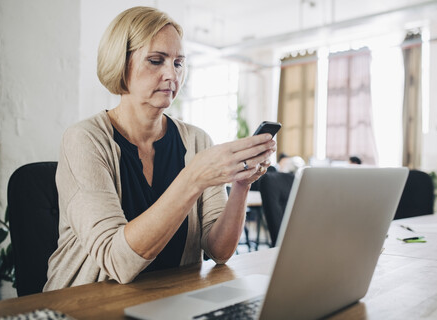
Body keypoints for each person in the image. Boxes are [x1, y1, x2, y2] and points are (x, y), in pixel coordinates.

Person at [44, 6, 275, 291]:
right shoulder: (84, 140)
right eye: (156, 60)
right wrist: (194, 178)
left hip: (169, 299)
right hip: (87, 304)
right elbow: (118, 261)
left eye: (178, 63)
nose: (171, 74)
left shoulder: (197, 140)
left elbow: (219, 251)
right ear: (120, 63)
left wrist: (241, 185)